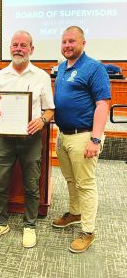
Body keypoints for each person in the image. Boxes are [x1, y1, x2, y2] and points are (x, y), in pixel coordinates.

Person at [0, 30, 55, 248]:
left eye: (23, 45)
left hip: (31, 139)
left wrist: (42, 121)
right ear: (10, 48)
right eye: (15, 45)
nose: (18, 48)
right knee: (0, 182)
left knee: (32, 184)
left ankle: (30, 225)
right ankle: (0, 222)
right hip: (4, 139)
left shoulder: (41, 76)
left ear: (31, 50)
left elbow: (50, 109)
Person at [52, 26, 111, 253]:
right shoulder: (62, 68)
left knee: (85, 184)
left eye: (72, 41)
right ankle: (75, 213)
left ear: (83, 43)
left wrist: (95, 140)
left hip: (84, 135)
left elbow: (102, 104)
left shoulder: (93, 68)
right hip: (63, 134)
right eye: (64, 41)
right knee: (70, 179)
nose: (67, 45)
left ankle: (88, 231)